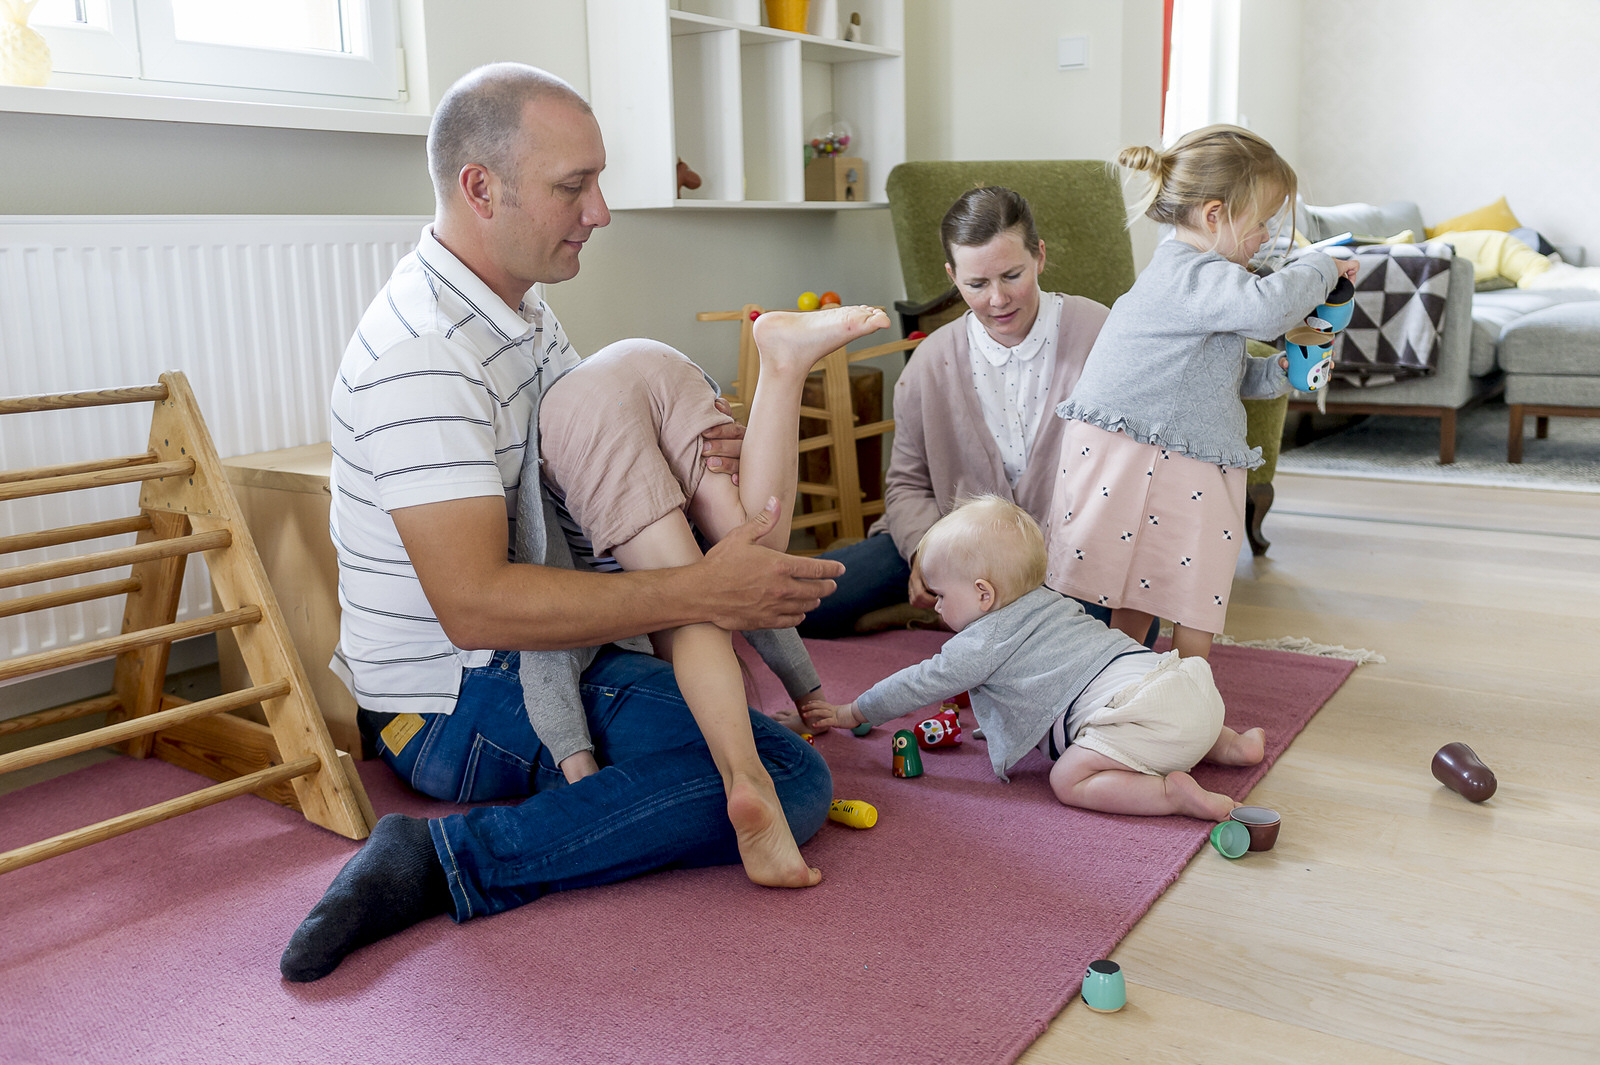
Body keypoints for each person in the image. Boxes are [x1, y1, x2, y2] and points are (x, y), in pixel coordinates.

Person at [279, 63, 844, 983]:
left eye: (599, 179)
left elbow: (580, 461)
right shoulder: (425, 350)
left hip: (524, 651)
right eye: (573, 185)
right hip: (446, 699)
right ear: (481, 188)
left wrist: (682, 465)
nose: (601, 210)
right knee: (787, 776)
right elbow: (475, 606)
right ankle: (439, 860)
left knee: (739, 708)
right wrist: (695, 586)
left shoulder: (520, 311)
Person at [535, 307, 888, 887]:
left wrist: (582, 773)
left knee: (690, 603)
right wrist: (810, 693)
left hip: (580, 412)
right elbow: (758, 601)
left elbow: (545, 659)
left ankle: (745, 780)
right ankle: (781, 363)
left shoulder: (581, 592)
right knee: (756, 553)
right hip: (649, 353)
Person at [1045, 125, 1360, 659]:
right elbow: (1268, 310)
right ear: (1214, 215)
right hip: (1137, 451)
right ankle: (1180, 686)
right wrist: (1320, 264)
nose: (1265, 236)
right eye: (1260, 222)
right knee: (1180, 578)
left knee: (1149, 576)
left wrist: (1284, 370)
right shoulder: (1189, 275)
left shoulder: (1207, 281)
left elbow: (1216, 380)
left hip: (1165, 442)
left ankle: (1136, 682)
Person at [804, 497, 1265, 820]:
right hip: (1188, 687)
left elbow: (915, 685)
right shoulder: (1052, 600)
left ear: (983, 594)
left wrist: (850, 711)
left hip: (1142, 720)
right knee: (1156, 694)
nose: (936, 605)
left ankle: (1168, 795)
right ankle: (1231, 746)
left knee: (1068, 780)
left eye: (941, 594)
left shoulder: (979, 645)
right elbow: (1036, 683)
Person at [797, 186, 1115, 639]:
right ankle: (956, 607)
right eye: (977, 284)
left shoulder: (1101, 336)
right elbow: (907, 484)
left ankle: (965, 618)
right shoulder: (929, 363)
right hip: (957, 551)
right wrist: (931, 559)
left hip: (1069, 557)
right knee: (806, 606)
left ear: (1040, 256)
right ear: (952, 275)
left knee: (1100, 634)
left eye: (1011, 275)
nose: (998, 300)